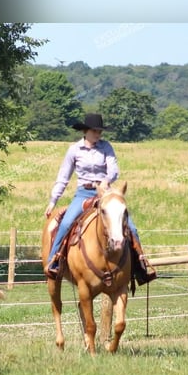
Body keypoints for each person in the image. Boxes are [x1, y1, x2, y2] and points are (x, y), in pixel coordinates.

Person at [44, 113, 156, 285]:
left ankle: (141, 265)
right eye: (95, 131)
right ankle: (54, 261)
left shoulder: (106, 147)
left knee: (131, 227)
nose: (99, 134)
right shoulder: (74, 150)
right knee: (66, 223)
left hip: (106, 193)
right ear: (86, 131)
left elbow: (114, 169)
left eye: (100, 131)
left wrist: (106, 180)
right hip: (84, 193)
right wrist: (53, 201)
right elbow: (63, 178)